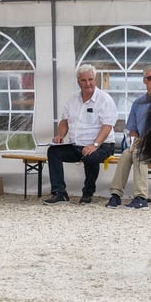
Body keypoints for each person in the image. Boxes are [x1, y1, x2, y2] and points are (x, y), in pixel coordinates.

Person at [44, 64, 117, 205]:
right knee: (53, 152)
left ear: (95, 80)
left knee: (90, 157)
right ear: (78, 82)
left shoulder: (104, 99)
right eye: (84, 80)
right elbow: (64, 121)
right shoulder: (72, 99)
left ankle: (87, 193)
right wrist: (60, 135)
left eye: (90, 79)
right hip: (77, 145)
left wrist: (94, 145)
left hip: (103, 144)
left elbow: (107, 126)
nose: (88, 83)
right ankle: (59, 193)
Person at [105, 64, 151, 210]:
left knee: (139, 152)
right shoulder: (138, 103)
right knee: (126, 153)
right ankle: (116, 195)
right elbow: (132, 131)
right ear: (144, 81)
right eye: (150, 78)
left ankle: (141, 198)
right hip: (144, 146)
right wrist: (135, 141)